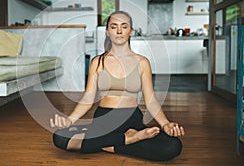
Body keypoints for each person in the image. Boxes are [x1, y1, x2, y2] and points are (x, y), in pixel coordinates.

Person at [50, 10, 185, 161]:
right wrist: (69, 120)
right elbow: (88, 98)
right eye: (114, 27)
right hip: (103, 120)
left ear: (131, 31)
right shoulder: (97, 62)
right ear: (107, 32)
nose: (119, 31)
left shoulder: (142, 62)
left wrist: (166, 124)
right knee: (59, 137)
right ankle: (128, 140)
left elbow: (151, 100)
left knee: (173, 146)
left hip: (132, 120)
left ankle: (110, 143)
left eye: (124, 26)